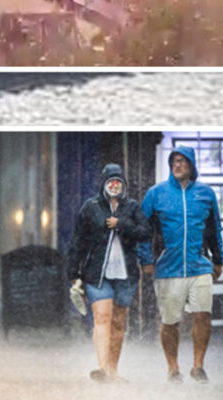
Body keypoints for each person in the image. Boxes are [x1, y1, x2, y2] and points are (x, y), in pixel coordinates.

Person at [139, 147, 223, 384]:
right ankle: (173, 368)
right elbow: (142, 230)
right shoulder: (156, 194)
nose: (177, 165)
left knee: (203, 314)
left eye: (182, 161)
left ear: (192, 165)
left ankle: (198, 366)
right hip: (168, 266)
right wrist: (146, 259)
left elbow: (214, 228)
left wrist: (218, 259)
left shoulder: (206, 194)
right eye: (174, 161)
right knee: (170, 321)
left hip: (199, 265)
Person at [66, 164, 151, 382]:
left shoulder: (132, 207)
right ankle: (103, 369)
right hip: (97, 274)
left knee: (117, 322)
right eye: (111, 181)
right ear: (103, 183)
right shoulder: (90, 207)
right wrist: (73, 272)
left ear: (123, 184)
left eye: (118, 181)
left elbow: (145, 232)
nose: (115, 185)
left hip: (126, 274)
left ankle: (114, 370)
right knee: (102, 317)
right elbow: (78, 241)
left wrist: (121, 224)